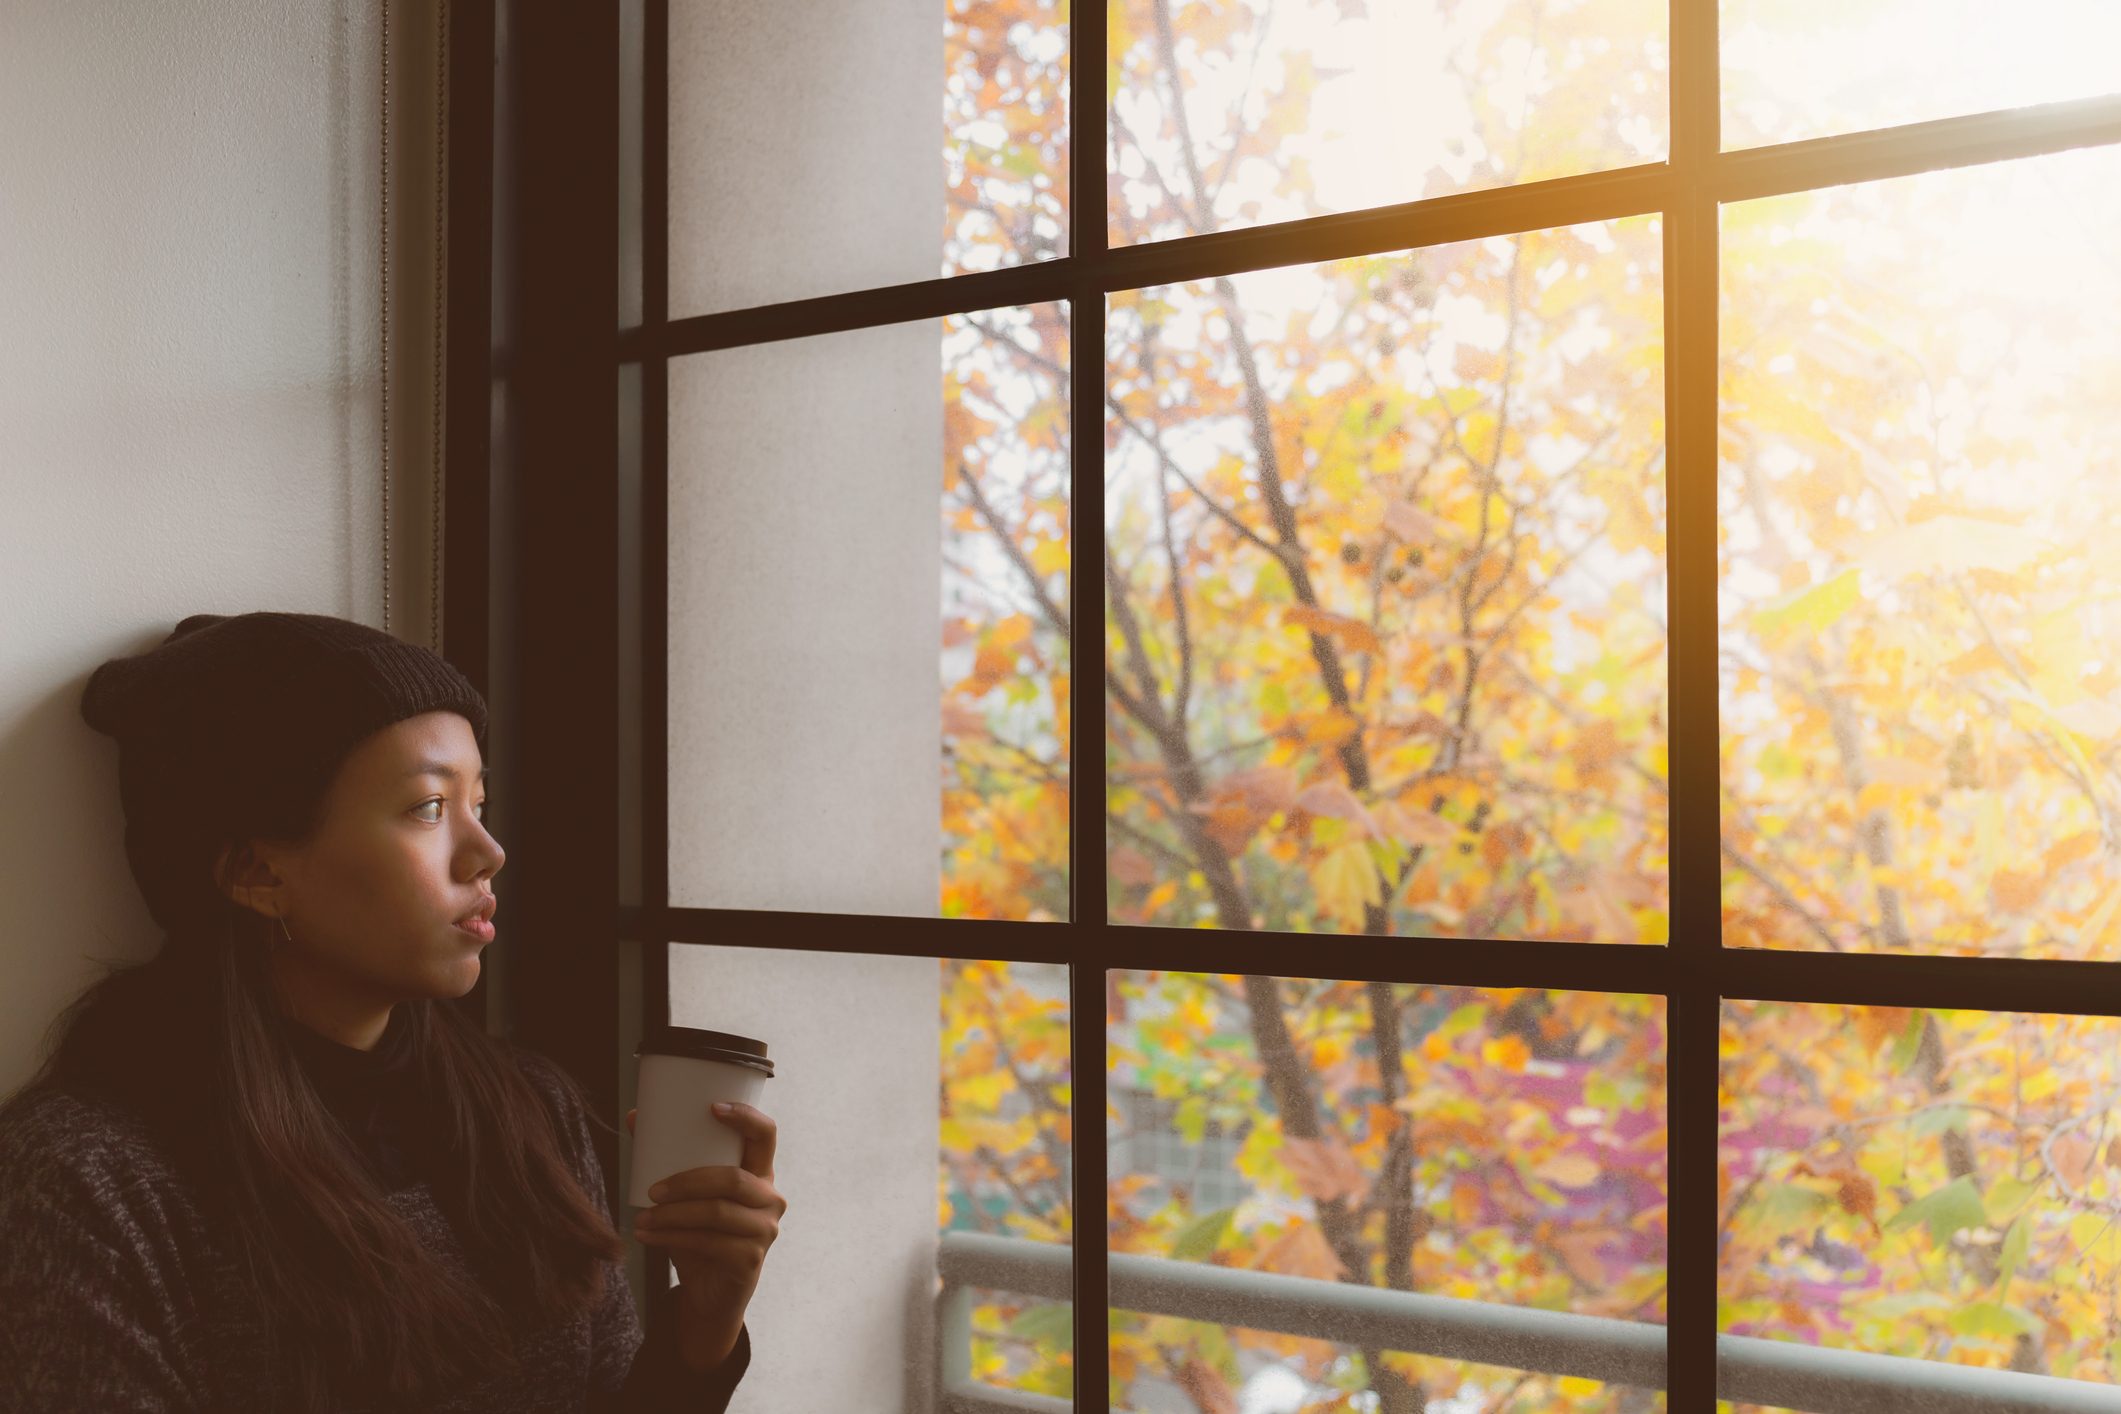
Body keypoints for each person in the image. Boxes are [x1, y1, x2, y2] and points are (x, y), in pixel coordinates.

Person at [0, 611, 782, 1413]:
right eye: (429, 809)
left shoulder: (528, 1112)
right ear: (256, 871)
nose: (487, 852)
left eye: (481, 802)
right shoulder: (85, 1182)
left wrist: (704, 1323)